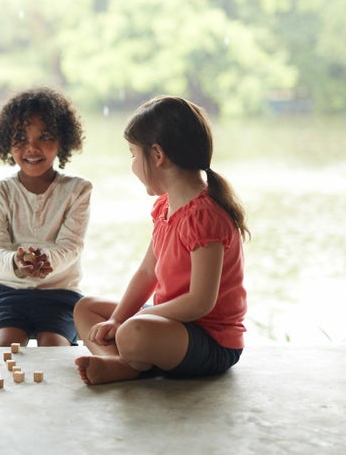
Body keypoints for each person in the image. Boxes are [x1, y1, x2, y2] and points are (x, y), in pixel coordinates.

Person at [74, 95, 249, 385]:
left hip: (211, 341)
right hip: (169, 322)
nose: (132, 165)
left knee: (135, 331)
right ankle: (119, 362)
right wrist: (118, 319)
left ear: (157, 155)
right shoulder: (166, 207)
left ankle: (130, 362)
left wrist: (130, 322)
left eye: (133, 154)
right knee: (86, 308)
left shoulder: (204, 216)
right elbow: (146, 273)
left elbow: (200, 303)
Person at [0, 87, 92, 347]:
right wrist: (17, 263)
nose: (32, 147)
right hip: (7, 294)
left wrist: (44, 261)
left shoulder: (78, 190)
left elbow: (71, 246)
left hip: (60, 295)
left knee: (54, 349)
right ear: (6, 141)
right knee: (5, 348)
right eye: (20, 137)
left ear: (62, 140)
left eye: (45, 136)